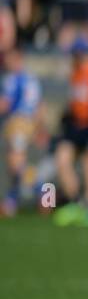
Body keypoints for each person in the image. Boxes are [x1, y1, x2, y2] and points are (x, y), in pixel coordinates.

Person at [53, 38, 88, 225]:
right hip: (76, 125)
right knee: (62, 159)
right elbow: (75, 102)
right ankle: (76, 202)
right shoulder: (76, 73)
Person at [0, 48, 42, 216]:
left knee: (16, 163)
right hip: (28, 123)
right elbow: (40, 106)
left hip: (18, 123)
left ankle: (46, 192)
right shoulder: (32, 79)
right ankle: (11, 202)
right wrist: (38, 127)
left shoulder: (12, 79)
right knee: (16, 164)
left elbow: (4, 104)